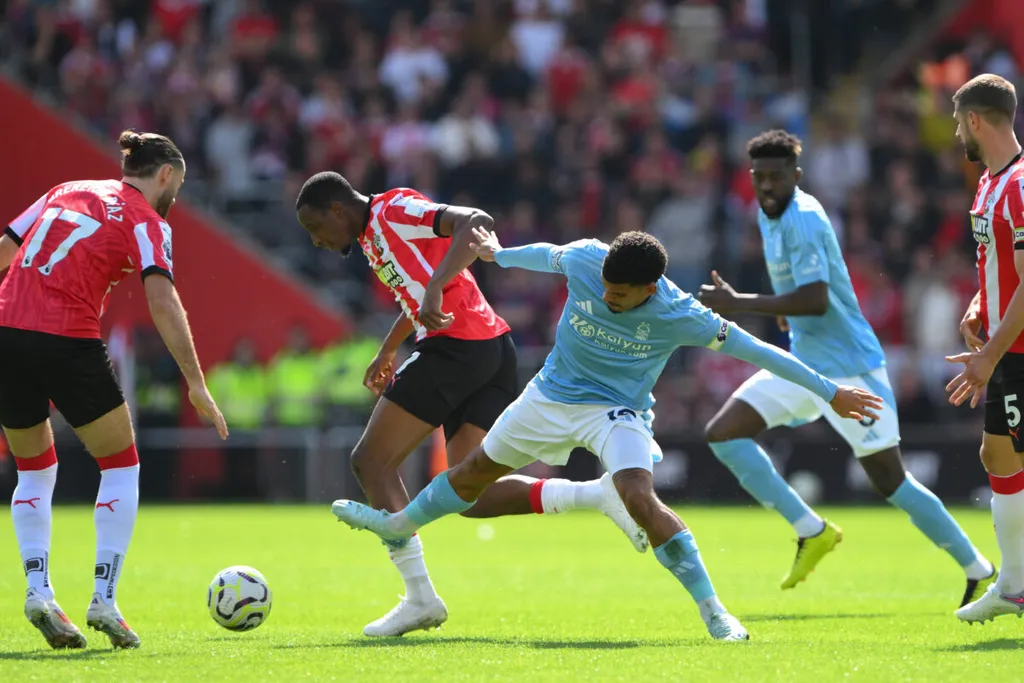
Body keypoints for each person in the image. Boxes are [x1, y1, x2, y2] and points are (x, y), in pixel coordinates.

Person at [332, 229, 884, 642]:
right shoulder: (588, 260)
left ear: (649, 288)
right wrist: (495, 253)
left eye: (620, 295)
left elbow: (761, 351)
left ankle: (715, 612)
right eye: (606, 289)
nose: (609, 297)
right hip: (549, 396)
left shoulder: (682, 314)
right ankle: (398, 524)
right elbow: (545, 254)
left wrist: (830, 391)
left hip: (616, 411)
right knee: (473, 474)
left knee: (641, 497)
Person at [294, 172, 644, 637]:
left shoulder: (391, 210)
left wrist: (437, 285)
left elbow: (475, 221)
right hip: (490, 348)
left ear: (337, 209)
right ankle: (597, 494)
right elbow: (417, 295)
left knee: (370, 461)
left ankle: (419, 597)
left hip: (458, 347)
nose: (316, 241)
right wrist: (388, 348)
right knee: (469, 495)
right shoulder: (373, 237)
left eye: (315, 228)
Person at [696, 129, 995, 603]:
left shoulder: (806, 218)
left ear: (796, 176)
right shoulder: (767, 213)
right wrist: (777, 307)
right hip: (805, 364)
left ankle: (979, 569)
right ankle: (809, 529)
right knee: (723, 432)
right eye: (759, 177)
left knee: (890, 481)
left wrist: (741, 303)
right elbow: (805, 291)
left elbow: (815, 300)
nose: (767, 185)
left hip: (851, 369)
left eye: (777, 176)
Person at [2, 130, 228, 650]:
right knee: (121, 465)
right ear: (166, 174)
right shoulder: (148, 221)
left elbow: (5, 252)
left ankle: (39, 591)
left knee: (34, 469)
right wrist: (195, 382)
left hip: (6, 332)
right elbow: (163, 300)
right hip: (66, 337)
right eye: (179, 184)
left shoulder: (64, 189)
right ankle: (104, 598)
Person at [945, 74, 1024, 623]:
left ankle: (1016, 583)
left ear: (975, 119)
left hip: (1016, 350)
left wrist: (992, 353)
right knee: (997, 455)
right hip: (1004, 343)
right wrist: (978, 307)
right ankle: (1014, 583)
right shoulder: (989, 183)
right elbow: (1000, 269)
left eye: (957, 122)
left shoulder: (1019, 186)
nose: (955, 134)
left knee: (1007, 455)